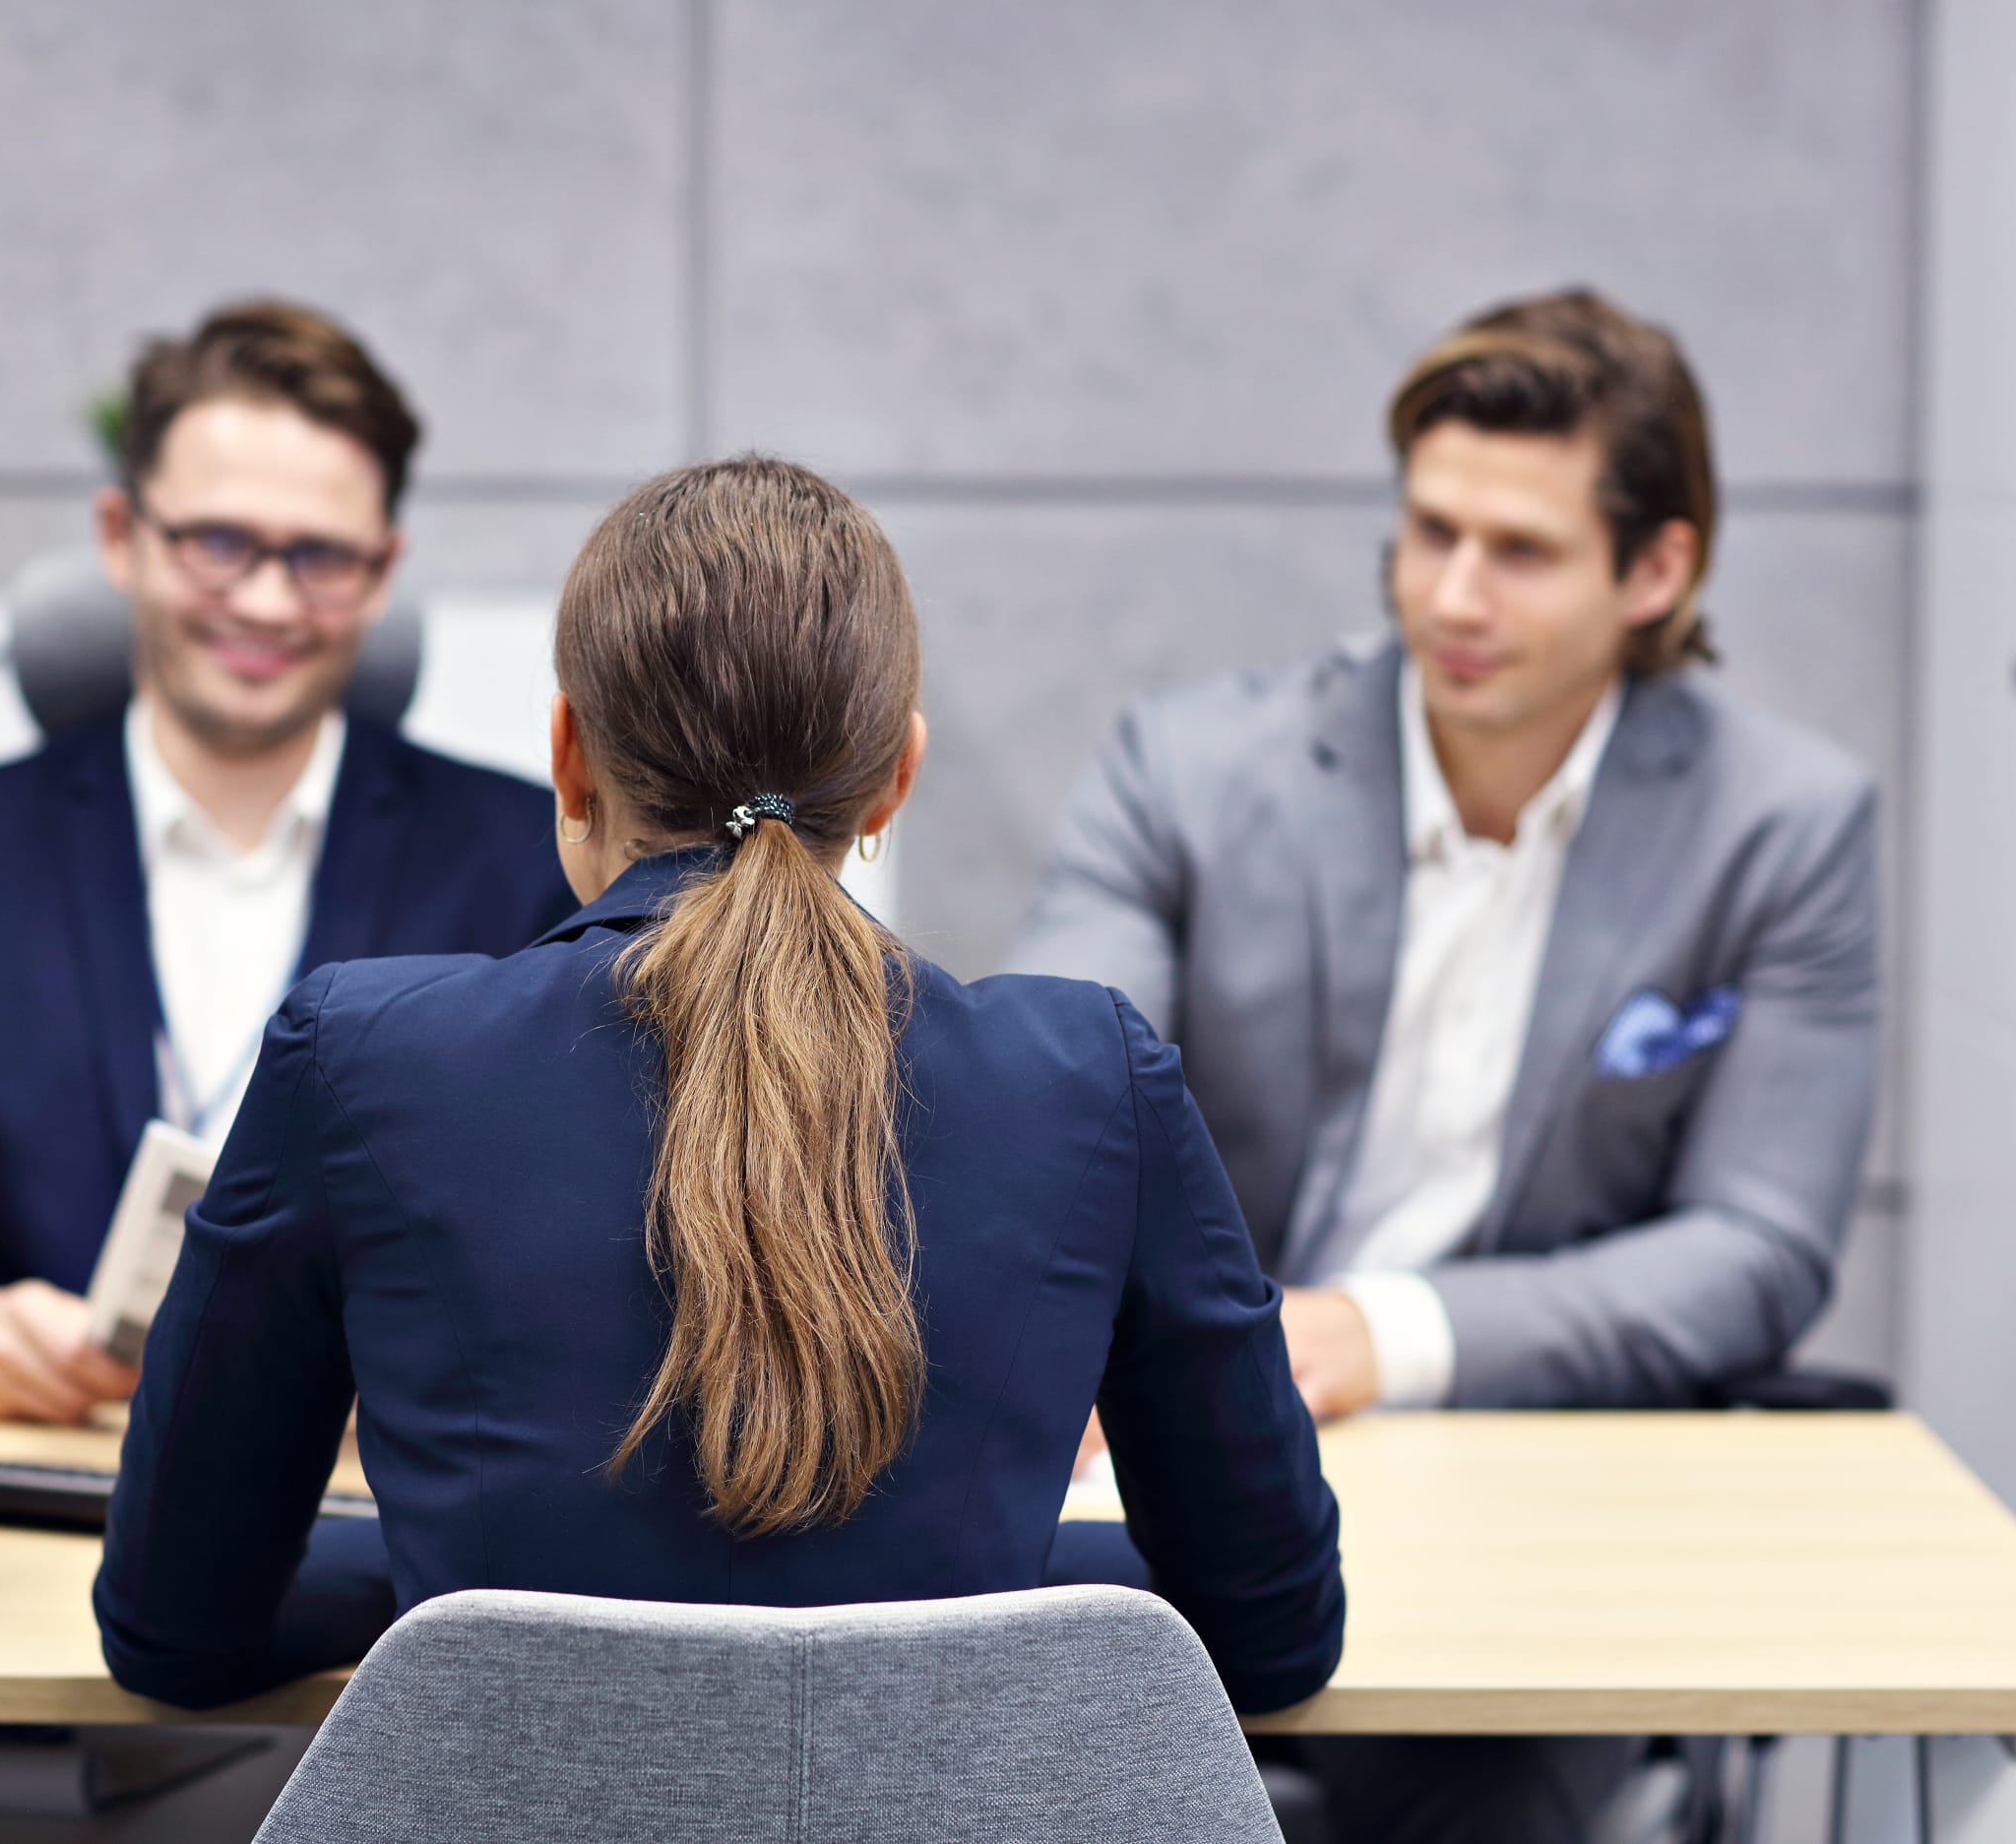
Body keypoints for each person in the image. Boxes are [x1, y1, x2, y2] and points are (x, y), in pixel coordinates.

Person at [94, 456, 1345, 1717]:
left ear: (568, 754)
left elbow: (174, 1627)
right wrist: (997, 1571)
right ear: (895, 777)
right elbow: (1270, 1629)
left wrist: (451, 1578)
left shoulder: (362, 1056)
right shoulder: (1086, 1077)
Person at [1014, 288, 1880, 1840]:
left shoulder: (1783, 827)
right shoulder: (1189, 773)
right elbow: (1051, 1118)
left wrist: (1381, 1332)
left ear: (1656, 570)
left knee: (1466, 1799)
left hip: (1544, 1507)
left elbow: (1757, 1247)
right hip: (1190, 1467)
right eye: (1429, 532)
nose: (1452, 595)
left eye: (1520, 550)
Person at [0, 300, 577, 1427]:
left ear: (383, 572)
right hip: (36, 1466)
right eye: (220, 544)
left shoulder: (528, 866)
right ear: (121, 536)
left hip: (373, 1492)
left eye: (321, 557)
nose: (268, 602)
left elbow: (581, 1248)